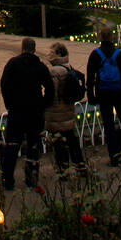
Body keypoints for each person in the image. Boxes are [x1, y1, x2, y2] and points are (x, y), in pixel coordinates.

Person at [0, 36, 54, 191]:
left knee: (12, 145)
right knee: (33, 145)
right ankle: (31, 178)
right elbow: (50, 89)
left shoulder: (13, 64)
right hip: (35, 112)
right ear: (34, 49)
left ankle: (7, 179)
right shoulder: (40, 67)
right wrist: (43, 104)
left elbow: (5, 85)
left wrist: (9, 103)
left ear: (22, 48)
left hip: (17, 110)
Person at [86, 25, 121, 165]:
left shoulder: (96, 54)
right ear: (112, 37)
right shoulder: (118, 54)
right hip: (119, 92)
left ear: (100, 37)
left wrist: (91, 94)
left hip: (104, 93)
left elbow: (90, 76)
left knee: (109, 125)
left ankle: (114, 157)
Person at [45, 41, 86, 174]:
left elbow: (51, 92)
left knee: (58, 139)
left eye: (51, 53)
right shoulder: (69, 68)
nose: (48, 55)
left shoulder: (54, 72)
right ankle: (79, 163)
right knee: (70, 136)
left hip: (56, 111)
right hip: (68, 109)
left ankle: (63, 167)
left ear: (58, 54)